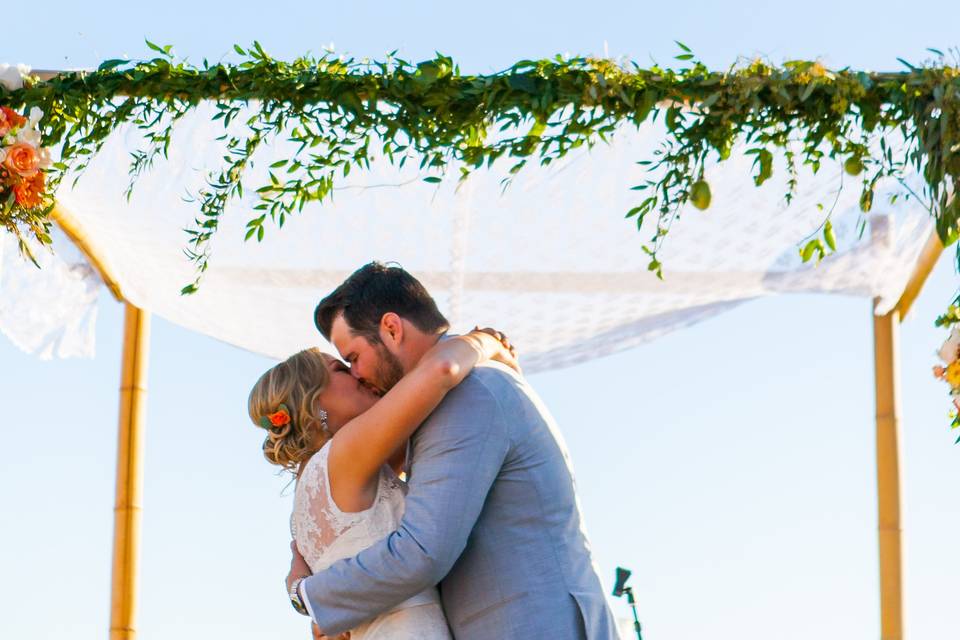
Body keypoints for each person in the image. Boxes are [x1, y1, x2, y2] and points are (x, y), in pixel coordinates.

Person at [287, 262, 621, 639]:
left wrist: (311, 597)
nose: (358, 374)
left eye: (353, 358)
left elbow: (423, 551)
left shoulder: (468, 394)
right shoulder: (440, 401)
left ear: (392, 329)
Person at [249, 330, 519, 639]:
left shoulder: (317, 486)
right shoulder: (345, 454)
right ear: (313, 402)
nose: (357, 375)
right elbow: (440, 372)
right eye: (340, 369)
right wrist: (485, 342)